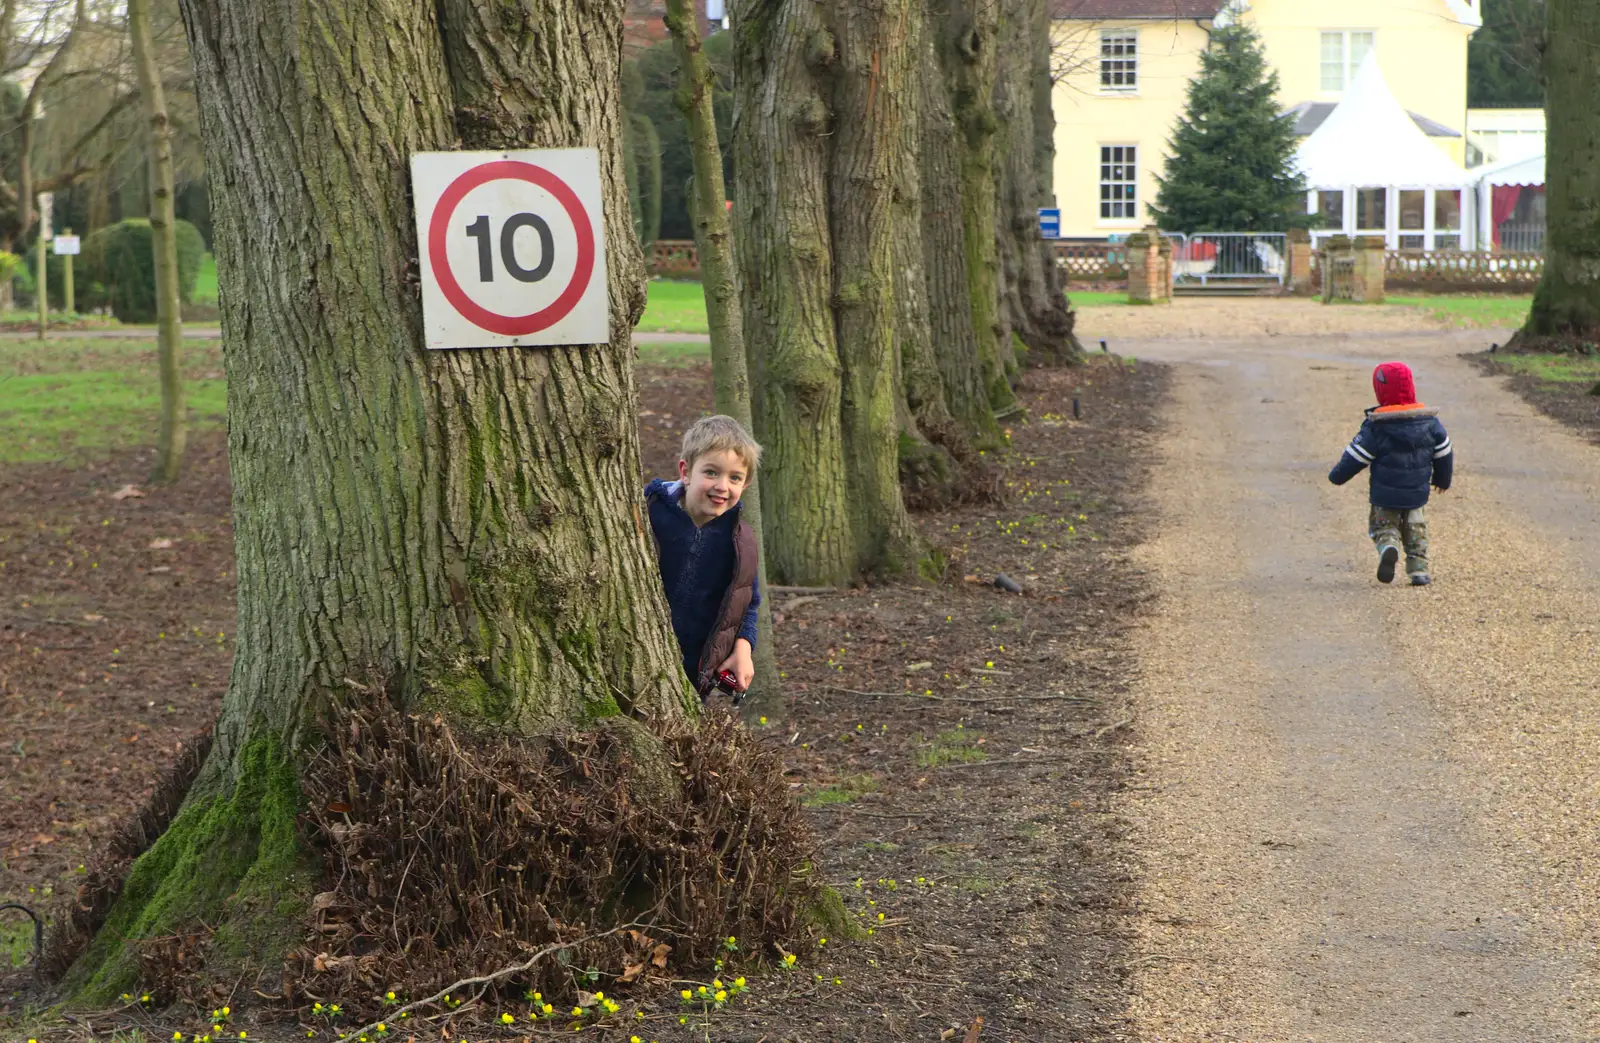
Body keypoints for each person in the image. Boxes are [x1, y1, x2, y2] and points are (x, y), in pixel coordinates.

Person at [644, 415, 762, 697]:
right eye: (711, 472)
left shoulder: (739, 542)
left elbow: (747, 603)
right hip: (637, 657)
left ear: (745, 485)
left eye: (735, 477)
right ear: (685, 471)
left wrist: (743, 649)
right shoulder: (651, 513)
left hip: (691, 677)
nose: (722, 486)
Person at [1328, 361, 1453, 586]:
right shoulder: (1431, 423)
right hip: (1417, 493)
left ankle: (1389, 545)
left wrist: (1337, 476)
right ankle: (1419, 570)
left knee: (1383, 525)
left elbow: (1356, 456)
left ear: (1380, 391)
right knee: (1416, 529)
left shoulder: (1376, 427)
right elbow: (1444, 452)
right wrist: (1442, 479)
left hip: (1385, 496)